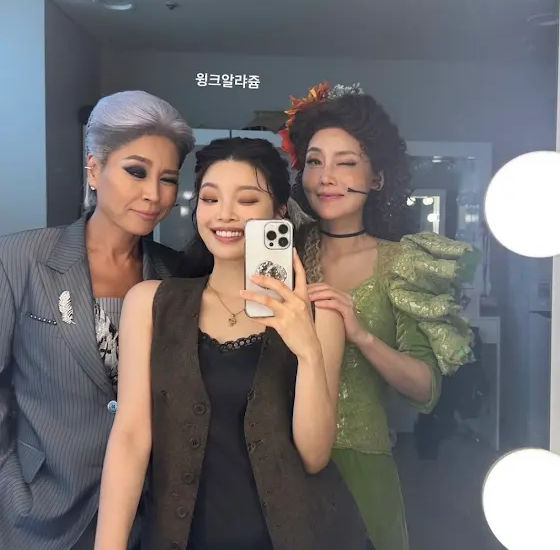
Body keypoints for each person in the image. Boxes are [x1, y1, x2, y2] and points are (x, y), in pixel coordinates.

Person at [93, 137, 372, 550]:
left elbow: (314, 457)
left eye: (246, 200)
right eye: (210, 199)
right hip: (180, 536)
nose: (224, 214)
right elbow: (130, 437)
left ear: (279, 211)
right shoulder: (151, 303)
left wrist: (308, 351)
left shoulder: (318, 313)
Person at [280, 82, 480, 550]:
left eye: (345, 163)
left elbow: (425, 389)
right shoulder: (281, 252)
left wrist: (362, 335)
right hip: (278, 455)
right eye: (314, 162)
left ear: (377, 179)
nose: (325, 177)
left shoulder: (403, 263)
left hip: (362, 465)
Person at [0, 90, 194, 550]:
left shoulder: (176, 275)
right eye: (136, 171)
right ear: (94, 169)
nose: (153, 194)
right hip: (39, 512)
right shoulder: (20, 258)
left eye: (168, 179)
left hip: (146, 516)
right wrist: (9, 484)